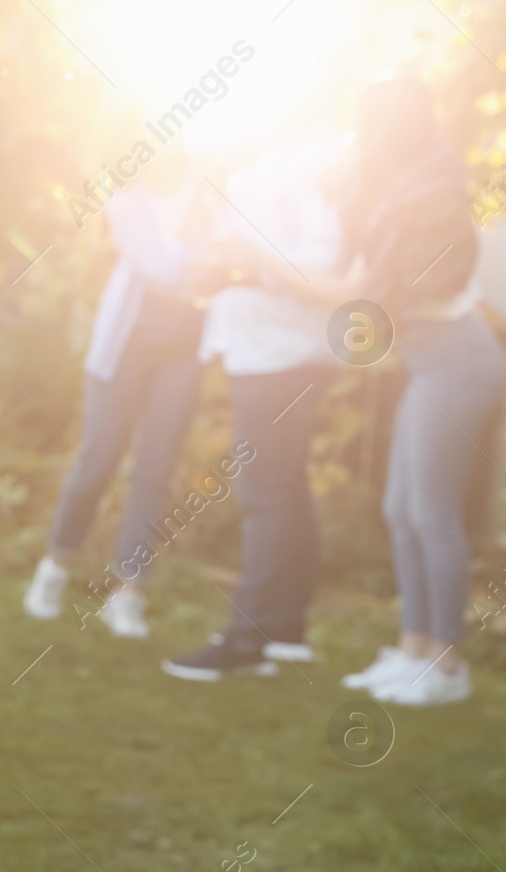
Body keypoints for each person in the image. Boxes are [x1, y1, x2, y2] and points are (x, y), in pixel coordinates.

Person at [327, 80, 497, 705]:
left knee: (432, 513)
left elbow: (411, 280)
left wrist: (362, 299)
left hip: (459, 360)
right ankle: (413, 650)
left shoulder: (434, 195)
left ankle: (447, 667)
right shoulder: (395, 189)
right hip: (432, 362)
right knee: (402, 511)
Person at [161, 133, 349, 680]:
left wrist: (252, 259)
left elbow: (321, 261)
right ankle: (286, 629)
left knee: (264, 493)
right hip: (262, 350)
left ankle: (247, 638)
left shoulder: (311, 164)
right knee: (285, 490)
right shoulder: (261, 166)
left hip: (282, 354)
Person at [24, 165, 209, 638]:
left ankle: (128, 593)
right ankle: (55, 566)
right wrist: (204, 258)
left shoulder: (209, 192)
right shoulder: (126, 201)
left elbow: (221, 259)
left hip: (184, 350)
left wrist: (208, 258)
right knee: (99, 458)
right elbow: (164, 269)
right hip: (124, 347)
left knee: (156, 470)